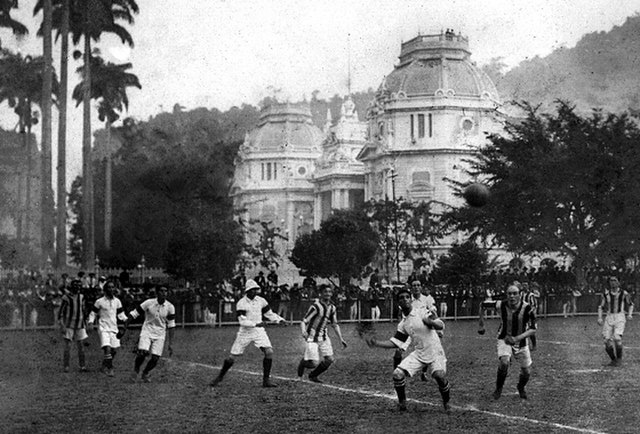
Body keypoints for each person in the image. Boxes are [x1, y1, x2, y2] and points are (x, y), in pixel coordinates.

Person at [365, 288, 451, 412]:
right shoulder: (403, 323)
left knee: (439, 376)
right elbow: (396, 342)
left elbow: (441, 325)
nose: (404, 299)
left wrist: (430, 322)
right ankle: (402, 403)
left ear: (410, 300)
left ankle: (446, 402)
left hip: (435, 351)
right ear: (398, 303)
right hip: (419, 353)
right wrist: (376, 343)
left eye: (407, 297)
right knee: (397, 374)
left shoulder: (422, 312)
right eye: (401, 298)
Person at [209, 279, 286, 388]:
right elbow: (242, 321)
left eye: (256, 290)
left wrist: (279, 320)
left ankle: (266, 380)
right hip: (245, 332)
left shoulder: (261, 301)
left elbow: (269, 314)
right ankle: (220, 377)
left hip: (258, 331)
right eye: (252, 290)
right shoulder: (241, 303)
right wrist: (255, 324)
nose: (255, 292)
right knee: (232, 357)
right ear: (247, 291)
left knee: (269, 352)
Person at [478, 284, 536, 400]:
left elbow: (533, 329)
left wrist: (517, 338)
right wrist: (481, 324)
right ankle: (498, 388)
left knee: (526, 372)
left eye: (515, 293)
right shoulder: (501, 304)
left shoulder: (527, 308)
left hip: (521, 342)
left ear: (520, 295)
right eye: (509, 294)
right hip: (504, 338)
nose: (512, 296)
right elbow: (482, 305)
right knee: (504, 362)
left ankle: (521, 387)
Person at [124, 285, 176, 383]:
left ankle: (146, 372)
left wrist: (171, 343)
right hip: (147, 331)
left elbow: (171, 325)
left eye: (166, 291)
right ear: (157, 292)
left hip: (160, 333)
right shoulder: (149, 303)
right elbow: (135, 313)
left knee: (155, 358)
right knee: (142, 353)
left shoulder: (170, 307)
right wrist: (126, 324)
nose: (164, 293)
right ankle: (136, 370)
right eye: (161, 291)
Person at [297, 284, 347, 383]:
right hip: (312, 337)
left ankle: (313, 375)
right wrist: (303, 331)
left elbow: (334, 324)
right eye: (325, 292)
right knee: (313, 363)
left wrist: (341, 339)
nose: (328, 294)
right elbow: (304, 321)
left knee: (329, 360)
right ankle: (303, 363)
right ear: (321, 294)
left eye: (329, 292)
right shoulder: (316, 306)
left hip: (324, 336)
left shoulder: (332, 308)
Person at [88, 280, 128, 377]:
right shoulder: (99, 301)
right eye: (109, 287)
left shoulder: (117, 301)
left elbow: (121, 314)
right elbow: (93, 313)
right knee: (107, 348)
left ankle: (104, 365)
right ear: (105, 289)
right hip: (103, 327)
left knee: (114, 350)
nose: (111, 289)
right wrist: (90, 322)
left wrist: (126, 321)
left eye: (112, 287)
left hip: (114, 328)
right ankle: (110, 368)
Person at [393, 280, 436, 368]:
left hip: (422, 330)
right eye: (414, 285)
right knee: (398, 350)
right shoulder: (407, 299)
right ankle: (396, 372)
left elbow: (433, 314)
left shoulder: (427, 299)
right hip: (409, 329)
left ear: (421, 287)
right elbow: (400, 314)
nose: (416, 287)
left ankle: (423, 373)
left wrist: (437, 328)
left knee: (425, 351)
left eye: (418, 285)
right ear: (411, 288)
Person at [597, 276, 633, 366]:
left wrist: (629, 314)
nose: (612, 282)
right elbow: (601, 306)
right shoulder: (606, 294)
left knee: (617, 338)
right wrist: (600, 317)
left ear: (618, 283)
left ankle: (619, 359)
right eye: (611, 281)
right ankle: (613, 360)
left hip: (619, 316)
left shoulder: (623, 293)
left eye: (614, 281)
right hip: (609, 317)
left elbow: (631, 304)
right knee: (607, 341)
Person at [58, 279, 89, 372]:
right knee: (68, 346)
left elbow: (83, 310)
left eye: (79, 286)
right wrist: (62, 325)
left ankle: (82, 366)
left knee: (81, 347)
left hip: (80, 324)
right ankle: (66, 366)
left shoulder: (82, 297)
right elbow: (60, 313)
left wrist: (86, 322)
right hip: (69, 325)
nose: (77, 287)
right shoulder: (66, 297)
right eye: (75, 285)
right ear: (71, 287)